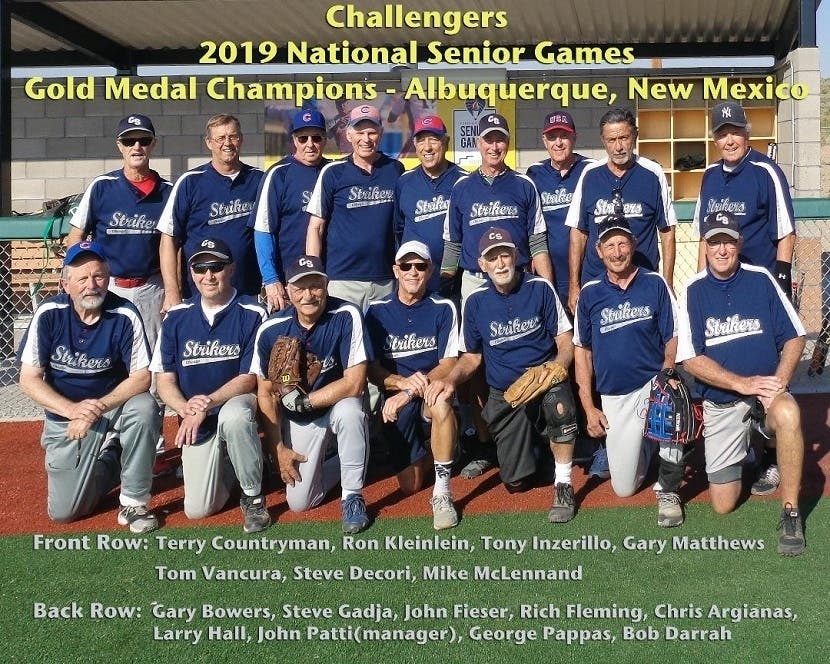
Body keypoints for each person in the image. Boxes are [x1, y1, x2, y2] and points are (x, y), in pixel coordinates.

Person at [427, 228, 579, 523]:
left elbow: (565, 341)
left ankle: (564, 484)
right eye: (492, 258)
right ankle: (539, 450)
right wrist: (449, 380)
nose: (500, 264)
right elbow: (471, 357)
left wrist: (555, 367)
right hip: (506, 394)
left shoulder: (540, 288)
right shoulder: (475, 302)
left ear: (516, 256)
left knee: (558, 403)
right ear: (481, 265)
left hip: (543, 381)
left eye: (505, 255)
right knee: (515, 482)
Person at [677, 211, 806, 556]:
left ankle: (790, 510)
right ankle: (754, 445)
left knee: (789, 414)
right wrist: (743, 383)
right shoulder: (692, 290)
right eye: (715, 241)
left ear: (740, 244)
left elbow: (795, 337)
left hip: (766, 394)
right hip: (724, 403)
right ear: (705, 245)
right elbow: (690, 359)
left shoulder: (760, 278)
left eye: (729, 242)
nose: (722, 249)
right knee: (723, 504)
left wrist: (778, 381)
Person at [440, 113, 554, 479]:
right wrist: (446, 284)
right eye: (488, 139)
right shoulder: (462, 188)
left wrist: (546, 283)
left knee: (531, 347)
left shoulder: (523, 184)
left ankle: (541, 430)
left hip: (517, 276)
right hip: (475, 280)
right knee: (476, 362)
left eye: (500, 139)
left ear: (507, 142)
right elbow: (453, 243)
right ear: (478, 143)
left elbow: (537, 240)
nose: (494, 145)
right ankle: (485, 437)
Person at [693, 100, 797, 497]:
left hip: (760, 285)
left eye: (734, 130)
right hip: (720, 285)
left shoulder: (765, 172)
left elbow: (786, 232)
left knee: (769, 369)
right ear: (714, 138)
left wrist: (781, 281)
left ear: (747, 132)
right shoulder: (708, 177)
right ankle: (746, 443)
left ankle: (771, 454)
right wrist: (703, 279)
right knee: (727, 360)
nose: (729, 138)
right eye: (721, 132)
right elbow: (705, 234)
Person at [18, 241, 159, 533]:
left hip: (112, 409)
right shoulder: (49, 314)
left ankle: (134, 502)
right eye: (82, 278)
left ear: (107, 279)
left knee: (145, 407)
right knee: (65, 512)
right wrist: (73, 410)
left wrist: (96, 408)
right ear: (65, 284)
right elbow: (29, 379)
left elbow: (142, 377)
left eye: (98, 276)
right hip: (67, 418)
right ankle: (115, 458)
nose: (91, 285)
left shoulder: (124, 313)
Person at [66, 114, 173, 475]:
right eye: (130, 141)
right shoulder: (102, 186)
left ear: (153, 145)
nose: (137, 147)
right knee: (110, 366)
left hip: (150, 287)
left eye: (143, 140)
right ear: (120, 147)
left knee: (155, 370)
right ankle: (109, 438)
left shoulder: (168, 192)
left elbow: (174, 247)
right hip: (107, 289)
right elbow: (75, 237)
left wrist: (173, 293)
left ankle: (153, 444)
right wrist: (77, 285)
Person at [573, 215, 687, 527]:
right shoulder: (591, 293)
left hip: (653, 383)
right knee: (624, 488)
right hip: (615, 395)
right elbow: (582, 351)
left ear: (633, 245)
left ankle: (669, 489)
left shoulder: (654, 283)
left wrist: (667, 372)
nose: (617, 251)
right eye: (609, 245)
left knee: (672, 404)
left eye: (623, 243)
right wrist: (588, 406)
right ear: (598, 251)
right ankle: (648, 444)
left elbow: (673, 336)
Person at [151, 238, 270, 533]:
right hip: (196, 420)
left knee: (235, 416)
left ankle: (254, 497)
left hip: (234, 405)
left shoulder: (252, 311)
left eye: (216, 267)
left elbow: (249, 378)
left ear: (231, 269)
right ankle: (236, 463)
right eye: (200, 268)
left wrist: (207, 402)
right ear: (190, 273)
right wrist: (184, 406)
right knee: (198, 509)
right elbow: (163, 380)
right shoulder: (176, 317)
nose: (208, 275)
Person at [253, 255, 372, 534]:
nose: (308, 295)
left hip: (334, 406)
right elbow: (266, 394)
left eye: (315, 286)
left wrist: (306, 401)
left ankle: (353, 496)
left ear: (326, 285)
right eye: (299, 288)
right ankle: (349, 458)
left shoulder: (346, 315)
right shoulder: (271, 329)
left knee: (351, 411)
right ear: (288, 291)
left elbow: (354, 383)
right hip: (300, 420)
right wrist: (279, 449)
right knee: (300, 502)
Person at [364, 241, 460, 530]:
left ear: (430, 270)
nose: (413, 272)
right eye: (406, 266)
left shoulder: (443, 307)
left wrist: (408, 391)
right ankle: (444, 445)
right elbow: (370, 369)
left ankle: (442, 493)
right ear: (396, 270)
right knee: (411, 485)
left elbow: (448, 364)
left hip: (426, 392)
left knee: (441, 403)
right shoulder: (376, 311)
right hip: (395, 400)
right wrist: (399, 383)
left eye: (420, 266)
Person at [566, 107, 677, 314]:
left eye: (624, 138)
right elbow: (578, 232)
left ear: (635, 135)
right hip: (597, 282)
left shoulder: (653, 174)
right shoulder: (590, 175)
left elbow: (667, 231)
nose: (618, 147)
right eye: (611, 140)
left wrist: (668, 282)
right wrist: (574, 285)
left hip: (642, 280)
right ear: (603, 141)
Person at [158, 114, 263, 312]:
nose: (227, 143)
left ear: (241, 139)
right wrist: (172, 292)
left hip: (248, 294)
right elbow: (168, 239)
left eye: (232, 137)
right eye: (220, 138)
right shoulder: (190, 182)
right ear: (209, 143)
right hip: (201, 293)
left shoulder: (259, 180)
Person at [306, 104, 405, 311]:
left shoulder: (395, 169)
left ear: (381, 133)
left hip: (385, 279)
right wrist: (314, 275)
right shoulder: (332, 172)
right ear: (349, 134)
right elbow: (315, 227)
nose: (366, 139)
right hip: (342, 280)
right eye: (360, 132)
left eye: (371, 132)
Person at [251, 109, 331, 312]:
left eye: (316, 137)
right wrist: (270, 279)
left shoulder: (334, 171)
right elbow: (263, 230)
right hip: (289, 282)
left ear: (325, 139)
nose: (310, 144)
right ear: (294, 140)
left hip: (330, 277)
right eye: (303, 138)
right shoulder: (278, 174)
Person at [526, 111, 594, 308]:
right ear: (544, 141)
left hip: (585, 272)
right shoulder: (535, 173)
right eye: (552, 137)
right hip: (549, 272)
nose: (558, 143)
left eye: (564, 136)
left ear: (574, 137)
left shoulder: (590, 169)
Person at [393, 115, 466, 295]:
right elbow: (398, 230)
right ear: (415, 145)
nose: (427, 147)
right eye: (421, 140)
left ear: (446, 142)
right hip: (413, 281)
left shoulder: (464, 181)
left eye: (434, 139)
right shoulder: (404, 182)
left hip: (453, 282)